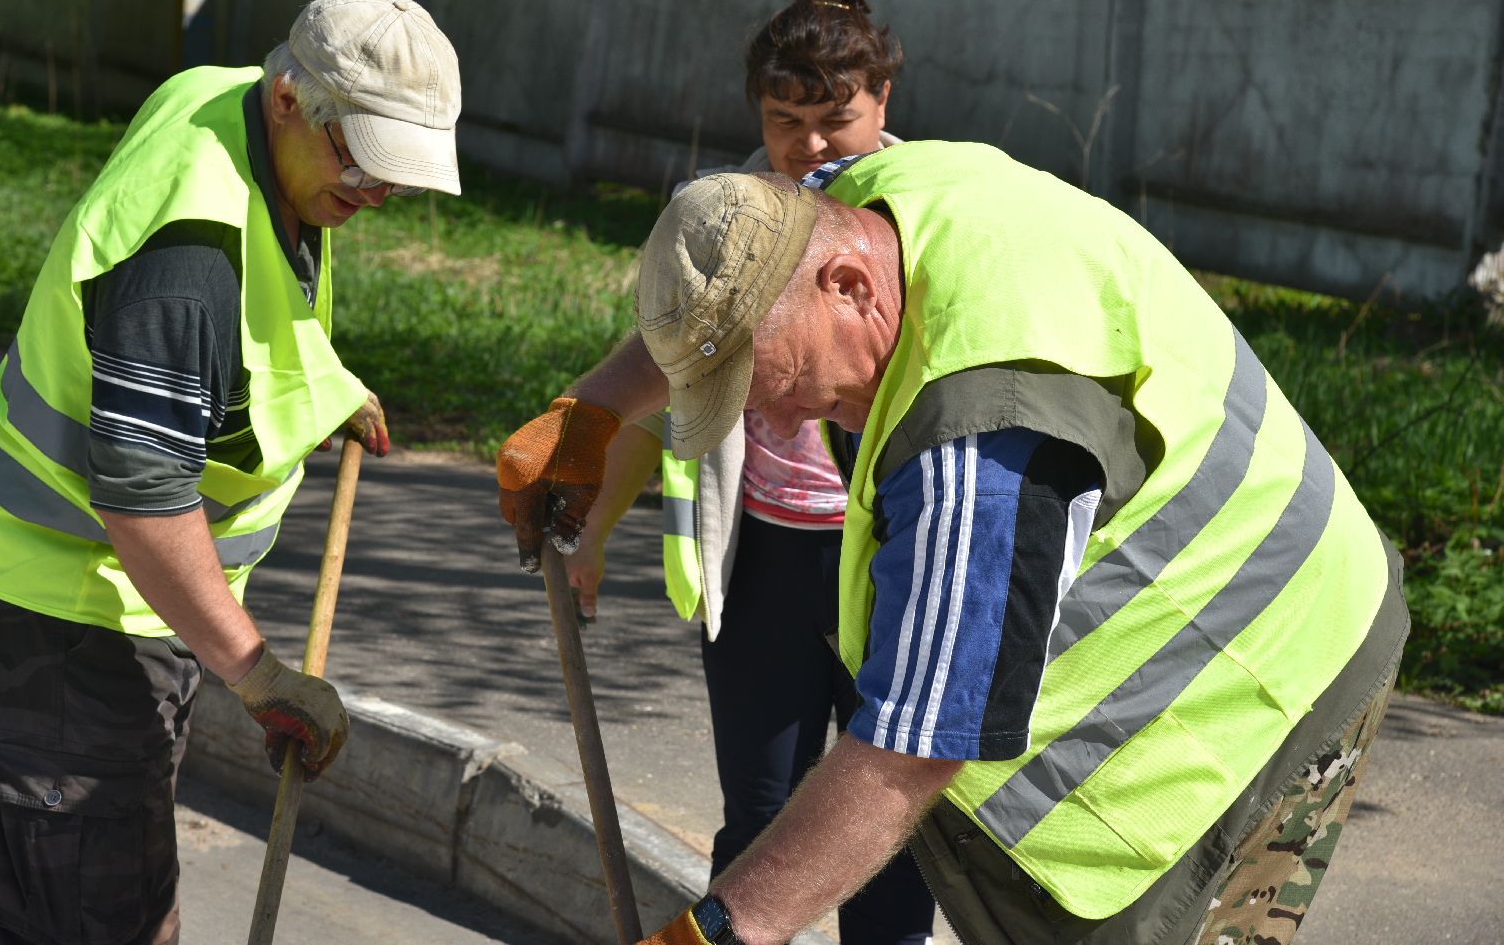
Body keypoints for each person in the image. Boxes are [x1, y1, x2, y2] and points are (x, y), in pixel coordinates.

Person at [497, 142, 1407, 945]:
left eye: (776, 382)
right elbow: (728, 283)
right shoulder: (851, 202)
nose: (775, 419)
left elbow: (916, 744)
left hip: (1268, 680)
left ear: (850, 288)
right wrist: (595, 410)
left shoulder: (978, 440)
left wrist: (723, 933)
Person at [0, 0, 462, 945]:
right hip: (62, 623)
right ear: (291, 97)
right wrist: (257, 674)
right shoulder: (188, 258)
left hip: (107, 613)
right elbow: (142, 495)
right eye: (363, 158)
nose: (378, 191)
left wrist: (327, 387)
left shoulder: (224, 98)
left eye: (400, 171)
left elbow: (243, 337)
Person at [562, 0, 933, 944]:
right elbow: (662, 387)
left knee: (888, 824)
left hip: (890, 561)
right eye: (784, 123)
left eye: (834, 122)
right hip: (762, 556)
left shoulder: (915, 219)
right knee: (760, 819)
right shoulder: (725, 223)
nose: (809, 148)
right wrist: (594, 520)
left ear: (883, 97)